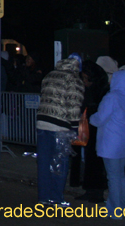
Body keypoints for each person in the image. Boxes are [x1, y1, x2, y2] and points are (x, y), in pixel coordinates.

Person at [36, 55, 85, 207]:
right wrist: (75, 128)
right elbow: (74, 105)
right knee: (59, 163)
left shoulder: (50, 75)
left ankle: (44, 196)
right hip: (60, 126)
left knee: (44, 162)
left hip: (43, 122)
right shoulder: (74, 79)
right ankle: (56, 197)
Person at [89, 69, 125, 219]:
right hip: (124, 141)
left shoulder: (112, 97)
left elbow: (101, 118)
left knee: (113, 176)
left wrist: (91, 118)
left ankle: (115, 210)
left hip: (111, 142)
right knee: (120, 175)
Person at [74, 60, 110, 203]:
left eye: (86, 78)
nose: (84, 81)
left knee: (95, 161)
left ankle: (96, 191)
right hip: (88, 128)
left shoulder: (100, 91)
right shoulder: (90, 90)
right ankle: (90, 189)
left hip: (97, 130)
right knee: (89, 160)